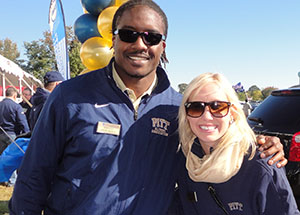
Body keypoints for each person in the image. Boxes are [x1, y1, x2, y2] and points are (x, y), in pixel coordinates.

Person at [9, 1, 286, 214]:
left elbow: (217, 140)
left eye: (151, 37)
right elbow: (34, 175)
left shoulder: (178, 108)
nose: (140, 44)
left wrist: (262, 143)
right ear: (113, 39)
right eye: (129, 34)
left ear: (162, 46)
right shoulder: (70, 97)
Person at [174, 73, 299, 214]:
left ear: (232, 113)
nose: (207, 116)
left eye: (217, 107)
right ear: (186, 115)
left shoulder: (261, 165)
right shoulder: (186, 162)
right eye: (196, 107)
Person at [0, 87, 29, 155]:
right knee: (12, 156)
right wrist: (27, 134)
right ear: (14, 96)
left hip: (1, 134)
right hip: (12, 134)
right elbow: (22, 122)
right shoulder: (16, 106)